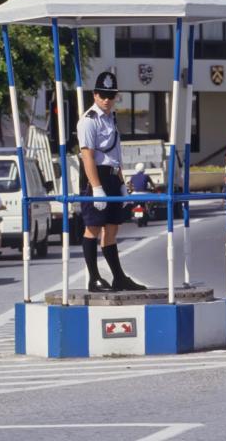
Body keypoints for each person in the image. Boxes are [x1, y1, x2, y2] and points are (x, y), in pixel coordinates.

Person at [77, 71, 146, 292]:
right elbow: (88, 156)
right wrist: (96, 188)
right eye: (103, 95)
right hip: (95, 177)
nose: (107, 100)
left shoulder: (110, 118)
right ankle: (94, 278)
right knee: (93, 227)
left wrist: (122, 184)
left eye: (111, 95)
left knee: (112, 227)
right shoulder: (89, 120)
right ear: (95, 95)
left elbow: (115, 155)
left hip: (112, 176)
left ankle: (118, 277)